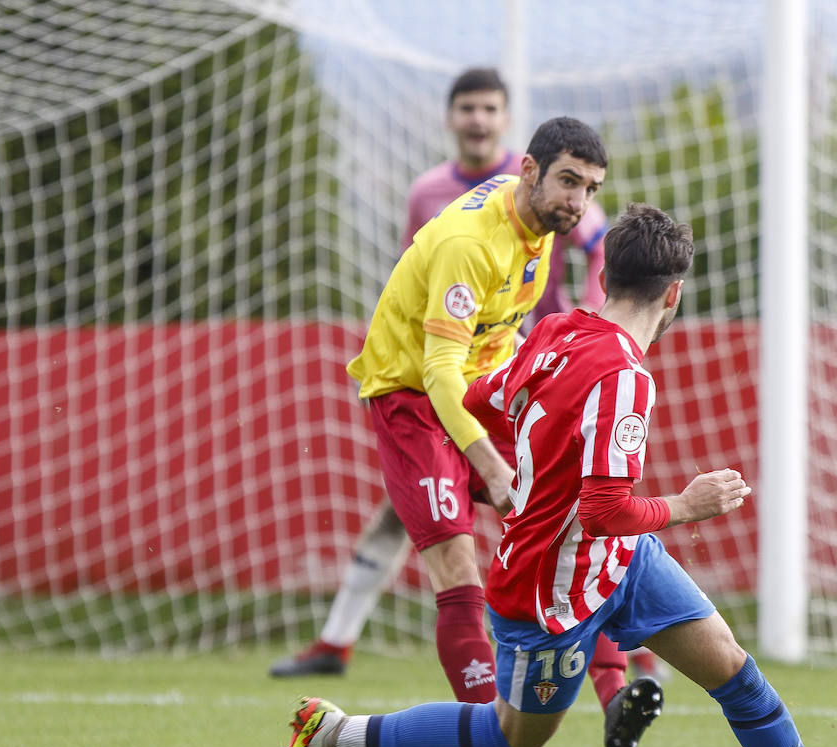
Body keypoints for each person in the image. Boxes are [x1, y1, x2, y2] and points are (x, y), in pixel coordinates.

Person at [274, 203, 837, 747]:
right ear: (674, 294)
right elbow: (603, 508)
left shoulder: (555, 329)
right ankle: (337, 732)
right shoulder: (626, 378)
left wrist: (518, 474)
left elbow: (481, 398)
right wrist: (687, 506)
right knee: (515, 736)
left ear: (604, 275)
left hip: (622, 559)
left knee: (732, 668)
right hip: (550, 592)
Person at [269, 68, 663, 690]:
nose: (580, 201)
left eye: (590, 188)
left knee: (575, 500)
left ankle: (617, 685)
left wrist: (576, 338)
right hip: (417, 389)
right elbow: (437, 337)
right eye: (570, 183)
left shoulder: (545, 214)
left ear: (505, 124)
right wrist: (491, 462)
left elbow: (585, 260)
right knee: (453, 557)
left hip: (477, 379)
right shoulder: (448, 216)